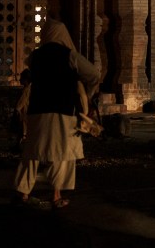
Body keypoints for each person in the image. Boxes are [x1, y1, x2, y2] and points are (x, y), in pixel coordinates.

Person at [13, 19, 99, 208]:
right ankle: (56, 195)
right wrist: (87, 92)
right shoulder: (70, 56)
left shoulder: (35, 56)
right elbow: (93, 74)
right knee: (63, 153)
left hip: (38, 110)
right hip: (64, 111)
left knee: (32, 151)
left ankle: (23, 191)